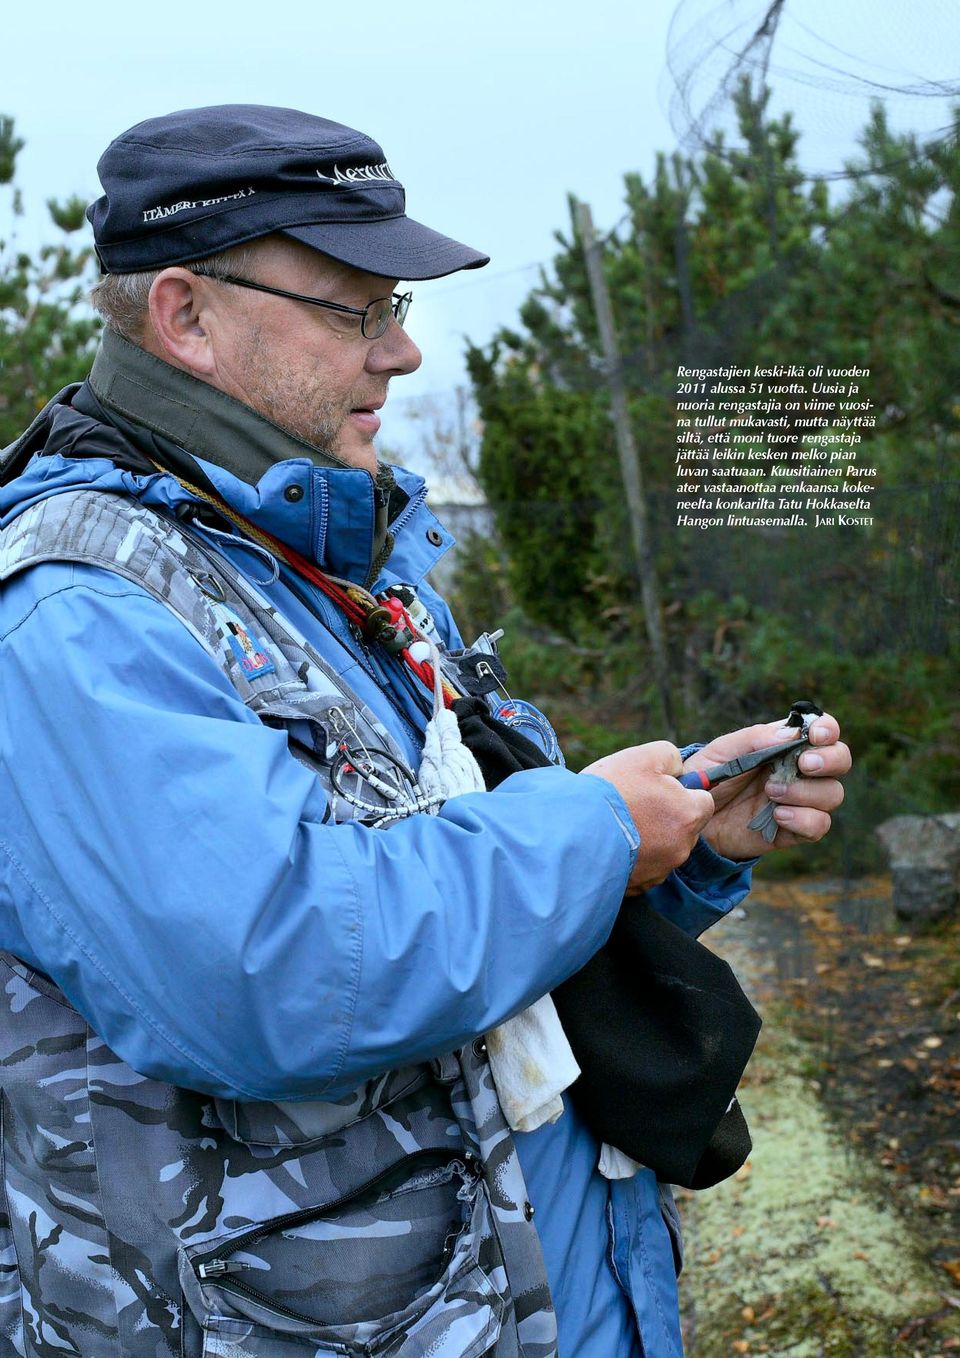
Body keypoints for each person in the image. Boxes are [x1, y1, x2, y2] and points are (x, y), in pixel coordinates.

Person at [0, 105, 850, 1358]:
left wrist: (679, 842)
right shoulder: (76, 619)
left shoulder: (339, 571)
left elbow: (470, 932)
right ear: (185, 314)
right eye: (358, 310)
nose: (400, 353)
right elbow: (277, 971)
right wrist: (595, 832)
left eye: (399, 307)